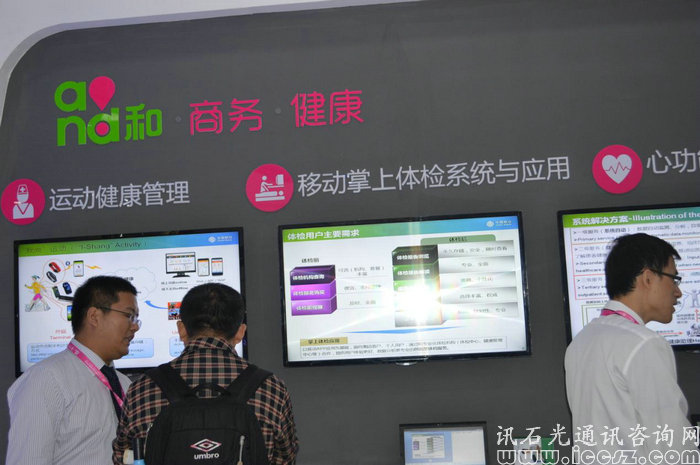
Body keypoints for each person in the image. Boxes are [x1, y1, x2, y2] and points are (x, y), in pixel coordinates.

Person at [113, 283, 298, 465]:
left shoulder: (142, 389)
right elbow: (286, 458)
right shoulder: (271, 388)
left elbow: (122, 457)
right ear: (241, 332)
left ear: (181, 330)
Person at [565, 233, 697, 460]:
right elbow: (672, 446)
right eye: (673, 279)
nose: (678, 292)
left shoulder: (582, 341)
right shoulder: (643, 343)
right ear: (648, 278)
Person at [7, 275, 140, 465]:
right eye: (129, 315)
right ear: (94, 316)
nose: (135, 327)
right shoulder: (45, 379)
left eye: (136, 319)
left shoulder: (125, 384)